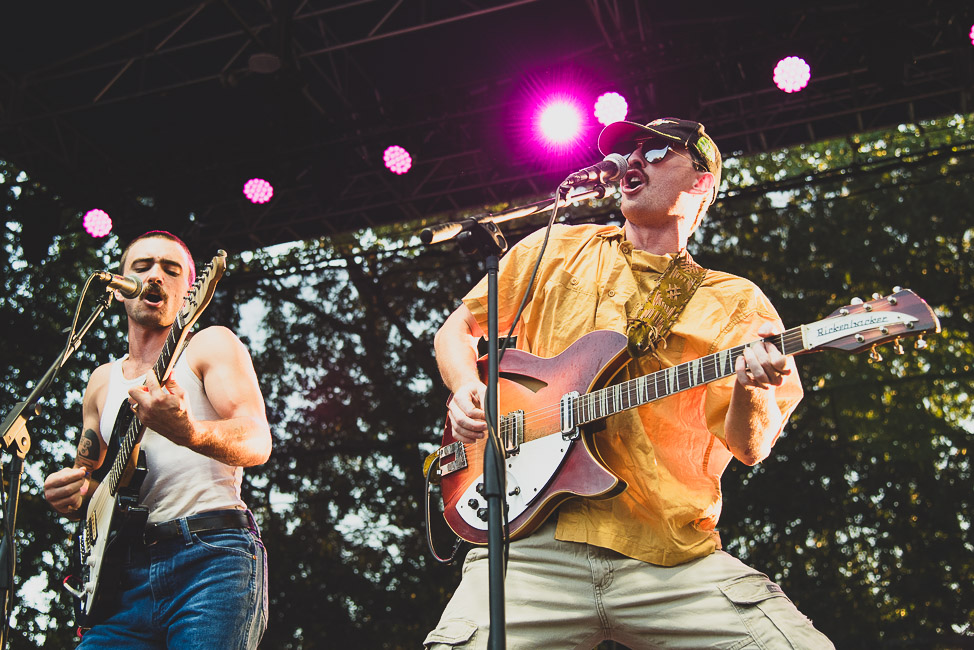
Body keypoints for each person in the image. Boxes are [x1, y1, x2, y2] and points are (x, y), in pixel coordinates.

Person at [425, 118, 834, 648]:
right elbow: (457, 330)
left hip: (667, 555)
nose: (635, 159)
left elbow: (749, 447)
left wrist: (754, 388)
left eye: (658, 151)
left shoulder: (735, 303)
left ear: (701, 182)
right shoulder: (555, 247)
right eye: (631, 150)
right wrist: (465, 388)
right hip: (529, 548)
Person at [43, 231, 271, 649]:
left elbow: (257, 440)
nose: (155, 275)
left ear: (189, 292)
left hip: (210, 558)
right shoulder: (101, 382)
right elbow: (90, 484)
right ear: (119, 286)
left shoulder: (209, 345)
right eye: (142, 266)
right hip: (121, 577)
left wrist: (189, 431)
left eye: (171, 269)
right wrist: (70, 494)